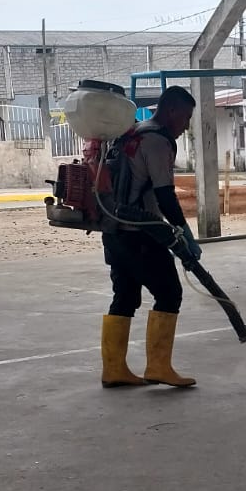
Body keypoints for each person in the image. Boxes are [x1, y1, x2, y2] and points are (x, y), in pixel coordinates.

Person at [100, 85, 201, 390]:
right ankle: (158, 367)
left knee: (125, 296)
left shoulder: (133, 132)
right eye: (185, 118)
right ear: (171, 111)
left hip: (114, 231)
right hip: (140, 234)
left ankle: (114, 369)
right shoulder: (157, 141)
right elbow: (165, 195)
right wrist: (184, 233)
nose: (186, 126)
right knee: (169, 294)